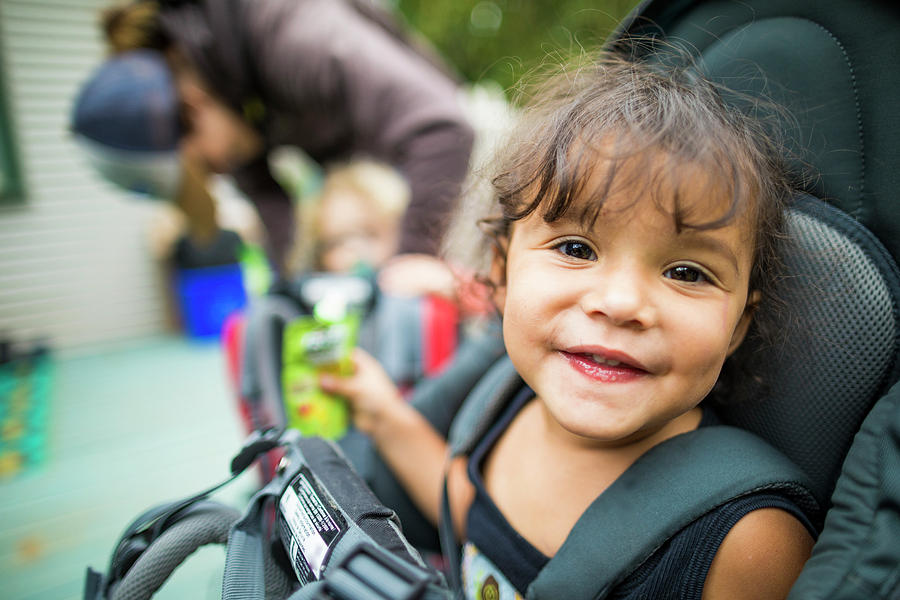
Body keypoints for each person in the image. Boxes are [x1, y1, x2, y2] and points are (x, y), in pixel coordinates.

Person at [318, 50, 817, 599]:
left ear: (739, 325)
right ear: (502, 274)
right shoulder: (503, 399)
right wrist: (385, 414)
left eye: (685, 271)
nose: (621, 302)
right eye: (577, 248)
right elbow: (469, 513)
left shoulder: (749, 539)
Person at [72, 0, 474, 282]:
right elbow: (277, 221)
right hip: (396, 184)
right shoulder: (230, 99)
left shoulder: (292, 34)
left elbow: (442, 129)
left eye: (207, 169)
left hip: (468, 165)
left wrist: (409, 262)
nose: (220, 175)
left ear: (193, 109)